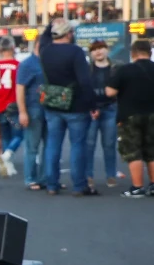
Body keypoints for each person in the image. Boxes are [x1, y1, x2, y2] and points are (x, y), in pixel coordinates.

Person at [40, 18, 97, 196]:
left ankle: (51, 184)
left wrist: (51, 24)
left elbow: (44, 37)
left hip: (52, 104)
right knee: (78, 145)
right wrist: (92, 104)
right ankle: (79, 185)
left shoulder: (45, 51)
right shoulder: (75, 52)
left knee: (52, 145)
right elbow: (85, 81)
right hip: (76, 105)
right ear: (69, 34)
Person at [105, 38, 154, 197]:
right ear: (150, 52)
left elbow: (110, 92)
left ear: (133, 54)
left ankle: (137, 187)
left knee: (133, 151)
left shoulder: (124, 70)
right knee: (152, 151)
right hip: (152, 114)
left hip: (130, 115)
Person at [85, 40, 120, 189]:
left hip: (110, 109)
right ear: (91, 53)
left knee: (109, 145)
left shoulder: (116, 68)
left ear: (107, 50)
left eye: (101, 48)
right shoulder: (87, 70)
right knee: (89, 145)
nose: (98, 52)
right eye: (94, 49)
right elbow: (83, 90)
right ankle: (88, 176)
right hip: (91, 111)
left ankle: (111, 175)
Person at [0, 37, 23, 177]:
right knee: (20, 134)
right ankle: (8, 155)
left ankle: (8, 164)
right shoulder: (18, 65)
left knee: (5, 134)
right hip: (14, 104)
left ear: (0, 49)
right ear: (13, 48)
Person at [16, 39, 46, 189]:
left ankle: (46, 177)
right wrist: (22, 112)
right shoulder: (27, 64)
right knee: (32, 146)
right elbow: (20, 88)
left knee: (50, 146)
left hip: (50, 108)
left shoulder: (49, 62)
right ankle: (31, 178)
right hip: (33, 108)